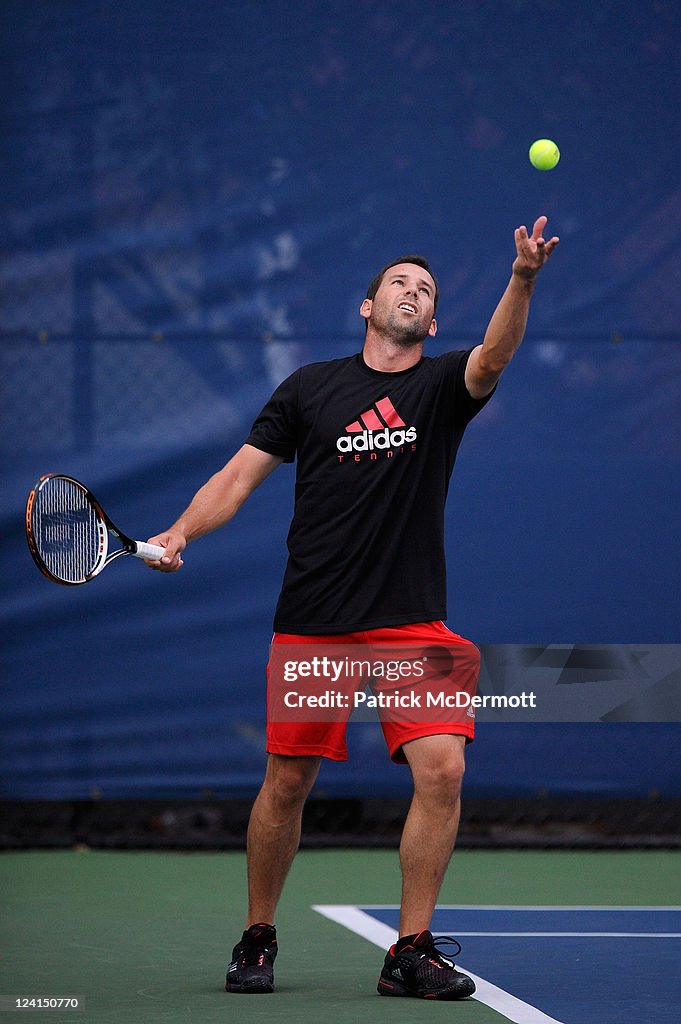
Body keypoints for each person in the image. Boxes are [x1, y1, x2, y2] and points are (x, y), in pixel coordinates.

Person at [146, 216, 559, 1000]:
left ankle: (409, 950)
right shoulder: (308, 388)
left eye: (425, 291)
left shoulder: (440, 387)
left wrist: (522, 277)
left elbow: (496, 354)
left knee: (443, 768)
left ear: (433, 323)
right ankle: (258, 932)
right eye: (398, 283)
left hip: (410, 617)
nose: (411, 292)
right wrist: (180, 530)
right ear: (366, 307)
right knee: (287, 782)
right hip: (316, 617)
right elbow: (236, 479)